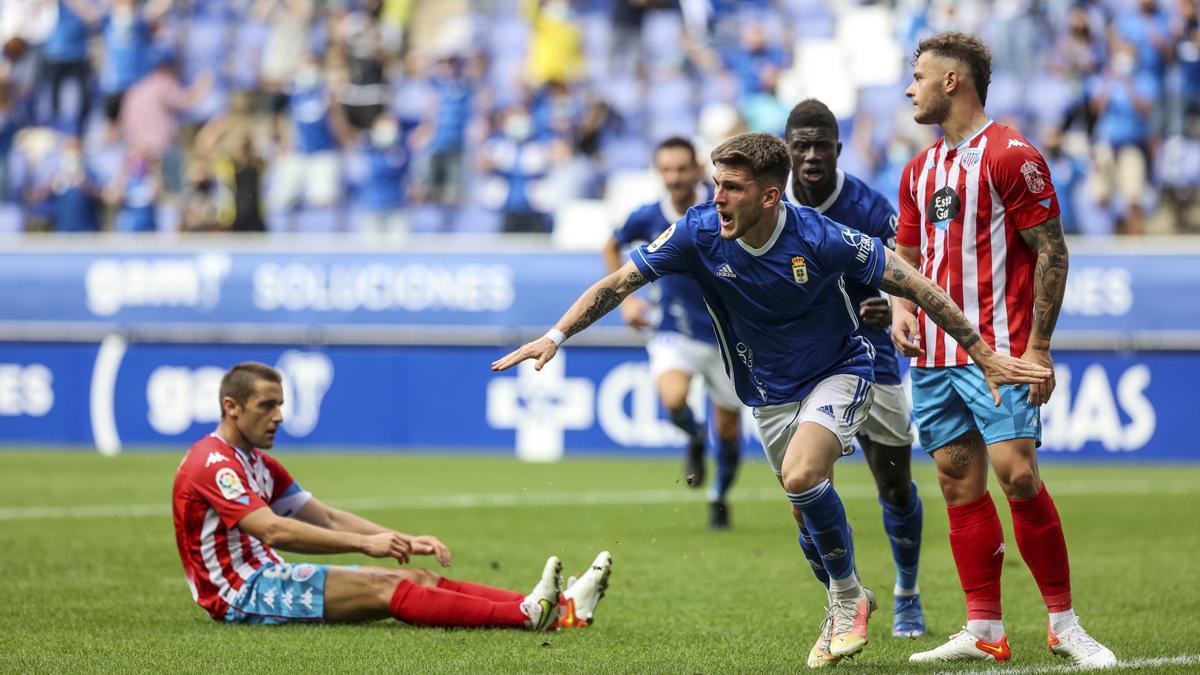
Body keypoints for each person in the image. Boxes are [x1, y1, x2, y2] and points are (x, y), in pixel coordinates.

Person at [493, 132, 1048, 665]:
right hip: (766, 393)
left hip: (841, 370)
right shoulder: (698, 230)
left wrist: (979, 350)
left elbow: (914, 283)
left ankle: (852, 597)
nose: (717, 197)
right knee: (804, 515)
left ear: (768, 194)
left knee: (805, 476)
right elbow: (618, 284)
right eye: (716, 184)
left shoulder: (820, 236)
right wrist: (555, 335)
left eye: (731, 187)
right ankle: (843, 596)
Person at [895, 33, 1115, 667]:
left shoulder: (1011, 155)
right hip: (936, 357)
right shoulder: (919, 169)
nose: (910, 88)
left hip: (1003, 351)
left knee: (1016, 473)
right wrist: (905, 309)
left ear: (952, 82)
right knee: (958, 484)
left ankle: (1064, 624)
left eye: (918, 76)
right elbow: (908, 257)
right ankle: (984, 627)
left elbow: (1052, 250)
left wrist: (1040, 348)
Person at [173, 361, 613, 630]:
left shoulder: (258, 463)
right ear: (231, 407)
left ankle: (557, 609)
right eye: (266, 406)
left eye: (280, 404)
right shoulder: (212, 462)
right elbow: (271, 529)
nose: (280, 416)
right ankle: (527, 615)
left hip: (267, 577)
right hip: (239, 593)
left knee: (415, 578)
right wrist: (367, 545)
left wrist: (400, 538)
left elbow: (322, 517)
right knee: (386, 586)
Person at [783, 99, 926, 650]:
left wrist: (895, 307)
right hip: (804, 365)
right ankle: (844, 599)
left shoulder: (868, 206)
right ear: (788, 148)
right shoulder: (771, 204)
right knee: (806, 489)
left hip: (872, 359)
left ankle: (907, 590)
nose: (813, 155)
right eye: (803, 144)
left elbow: (912, 275)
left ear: (839, 149)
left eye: (823, 144)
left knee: (892, 484)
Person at [602, 136, 743, 530]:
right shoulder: (647, 216)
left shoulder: (720, 207)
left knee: (730, 430)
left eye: (681, 169)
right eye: (666, 170)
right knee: (673, 397)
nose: (674, 177)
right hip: (674, 329)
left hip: (727, 336)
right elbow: (610, 246)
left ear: (697, 168)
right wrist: (628, 300)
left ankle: (720, 495)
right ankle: (695, 437)